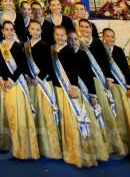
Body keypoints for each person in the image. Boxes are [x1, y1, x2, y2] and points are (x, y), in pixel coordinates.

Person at [0, 20, 39, 159]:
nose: (9, 32)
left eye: (11, 29)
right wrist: (0, 77)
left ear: (14, 31)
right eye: (6, 29)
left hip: (16, 84)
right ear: (2, 31)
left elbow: (22, 66)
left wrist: (12, 80)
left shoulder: (18, 46)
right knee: (4, 114)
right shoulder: (1, 46)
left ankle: (21, 148)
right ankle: (6, 143)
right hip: (3, 84)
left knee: (17, 116)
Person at [50, 25, 96, 167]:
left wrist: (74, 86)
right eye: (57, 34)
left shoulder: (69, 51)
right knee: (64, 120)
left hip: (69, 89)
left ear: (66, 37)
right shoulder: (52, 50)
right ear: (54, 35)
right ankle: (68, 151)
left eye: (62, 35)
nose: (60, 37)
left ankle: (79, 154)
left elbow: (73, 70)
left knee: (73, 121)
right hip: (57, 89)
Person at [78, 19, 125, 156]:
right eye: (82, 27)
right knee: (87, 113)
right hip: (84, 81)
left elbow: (105, 62)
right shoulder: (76, 42)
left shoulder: (97, 43)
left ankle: (107, 144)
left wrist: (108, 78)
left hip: (97, 81)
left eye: (87, 27)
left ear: (91, 29)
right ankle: (91, 144)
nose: (84, 29)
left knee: (102, 110)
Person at [67, 30, 109, 163]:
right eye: (70, 39)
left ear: (79, 41)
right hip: (72, 92)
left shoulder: (83, 55)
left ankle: (91, 150)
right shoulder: (65, 55)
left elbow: (89, 76)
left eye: (75, 39)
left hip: (84, 92)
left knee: (87, 120)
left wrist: (92, 94)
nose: (73, 42)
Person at [24, 19, 61, 159]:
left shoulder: (45, 46)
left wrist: (37, 78)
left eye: (38, 29)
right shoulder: (26, 45)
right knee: (35, 113)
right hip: (32, 84)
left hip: (43, 83)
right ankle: (37, 144)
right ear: (29, 30)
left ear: (41, 31)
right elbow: (24, 63)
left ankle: (51, 147)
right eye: (32, 29)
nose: (35, 31)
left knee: (46, 114)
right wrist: (28, 77)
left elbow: (48, 65)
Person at [102, 27, 130, 153]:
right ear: (103, 37)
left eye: (112, 36)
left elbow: (125, 69)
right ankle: (112, 143)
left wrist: (129, 86)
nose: (110, 39)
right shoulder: (100, 50)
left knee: (120, 114)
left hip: (119, 87)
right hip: (106, 87)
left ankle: (124, 143)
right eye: (107, 36)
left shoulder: (118, 51)